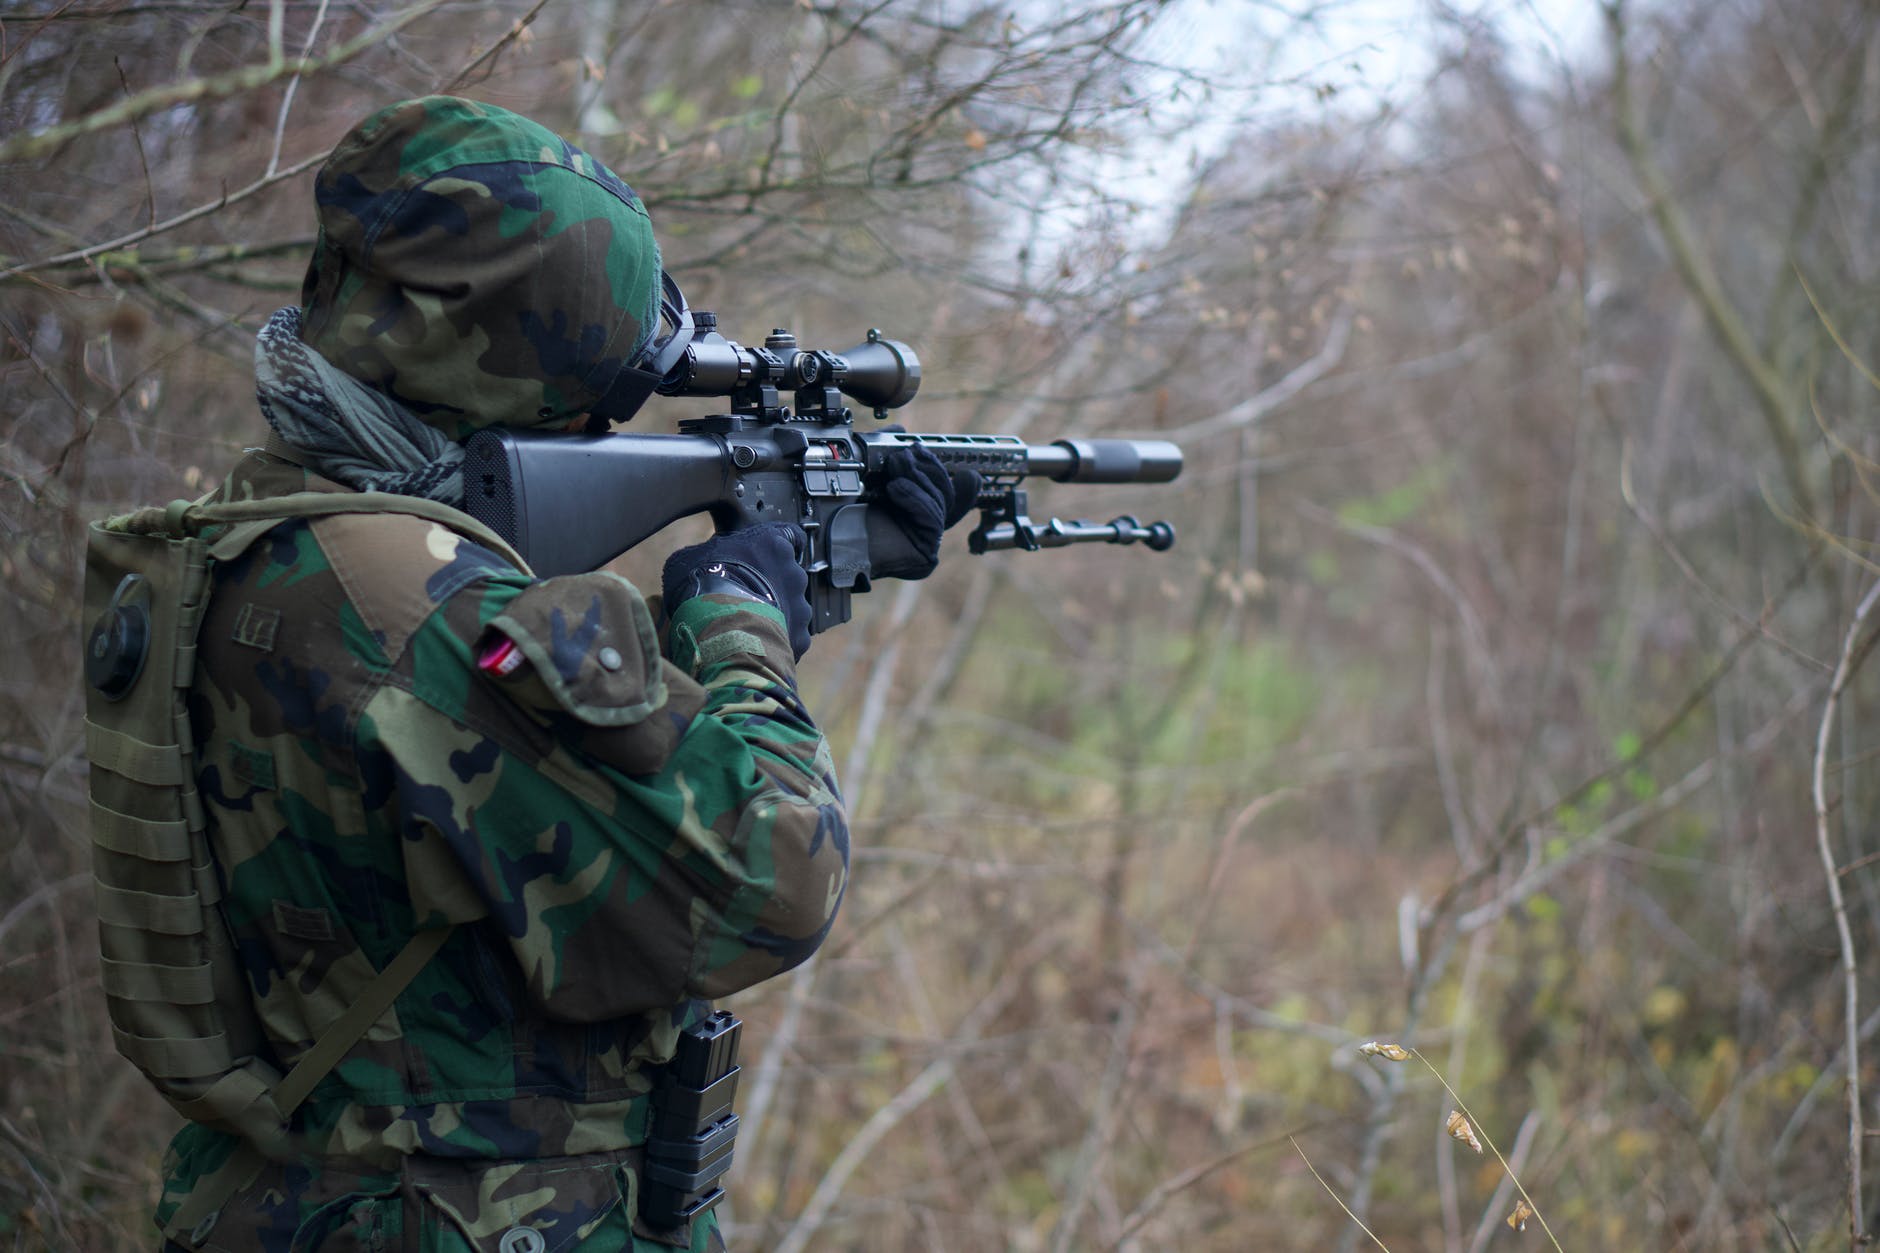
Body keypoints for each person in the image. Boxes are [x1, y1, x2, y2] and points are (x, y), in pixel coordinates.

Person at [142, 95, 973, 1252]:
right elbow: (772, 880)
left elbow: (482, 741)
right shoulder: (415, 605)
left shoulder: (267, 537)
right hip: (457, 1216)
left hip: (285, 1195)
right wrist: (740, 627)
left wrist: (759, 597)